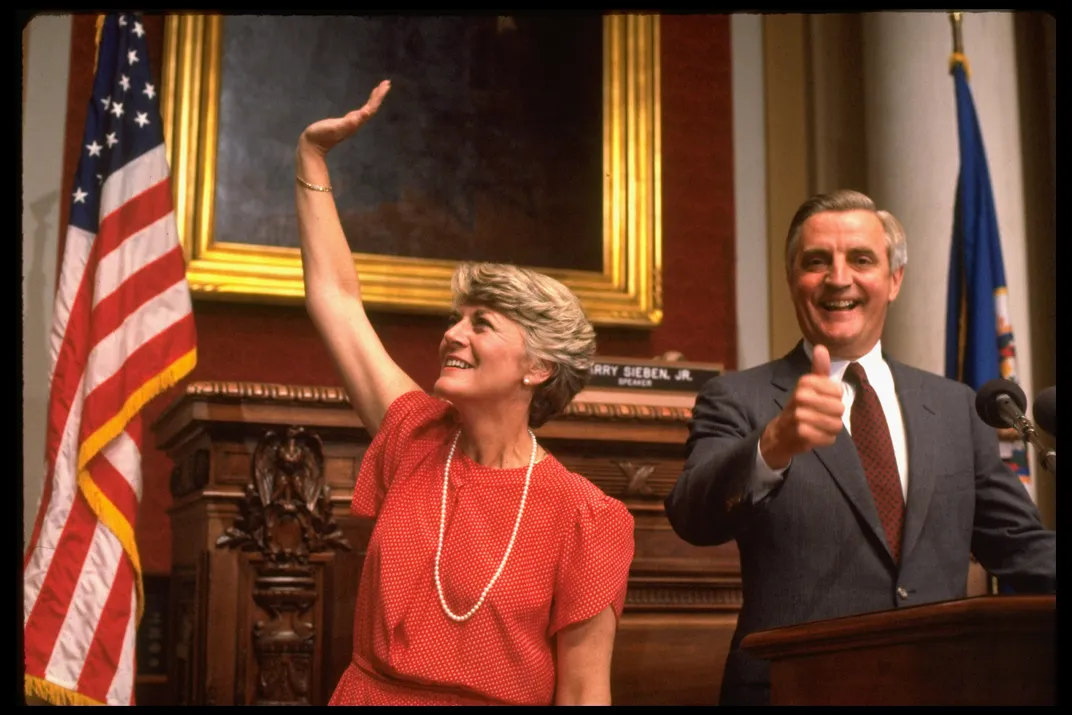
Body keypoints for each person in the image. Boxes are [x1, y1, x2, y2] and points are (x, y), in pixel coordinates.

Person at [294, 79, 635, 706]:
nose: (453, 334)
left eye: (482, 323)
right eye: (457, 318)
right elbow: (337, 301)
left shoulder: (588, 519)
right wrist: (311, 160)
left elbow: (586, 694)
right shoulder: (413, 435)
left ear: (537, 368)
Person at [664, 189, 1056, 706]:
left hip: (943, 686)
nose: (839, 278)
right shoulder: (739, 398)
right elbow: (693, 515)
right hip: (794, 692)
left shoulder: (956, 407)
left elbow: (1021, 548)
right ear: (792, 280)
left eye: (861, 259)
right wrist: (773, 445)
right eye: (817, 262)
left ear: (894, 280)